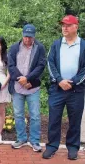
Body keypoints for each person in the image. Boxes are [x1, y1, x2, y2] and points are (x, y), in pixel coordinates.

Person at [43, 15, 85, 160]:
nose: (64, 28)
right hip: (57, 89)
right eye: (63, 25)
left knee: (75, 120)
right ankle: (51, 146)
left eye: (68, 25)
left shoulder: (83, 45)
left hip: (76, 90)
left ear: (76, 27)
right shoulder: (56, 44)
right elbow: (50, 63)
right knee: (54, 119)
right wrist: (60, 80)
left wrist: (73, 82)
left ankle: (73, 148)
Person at [8, 24, 46, 152]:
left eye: (30, 37)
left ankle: (34, 141)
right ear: (22, 35)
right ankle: (21, 138)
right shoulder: (14, 47)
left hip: (32, 88)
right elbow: (11, 65)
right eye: (25, 36)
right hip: (18, 87)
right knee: (18, 114)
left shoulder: (39, 48)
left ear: (34, 36)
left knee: (35, 115)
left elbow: (41, 66)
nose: (27, 39)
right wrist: (22, 80)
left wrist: (28, 79)